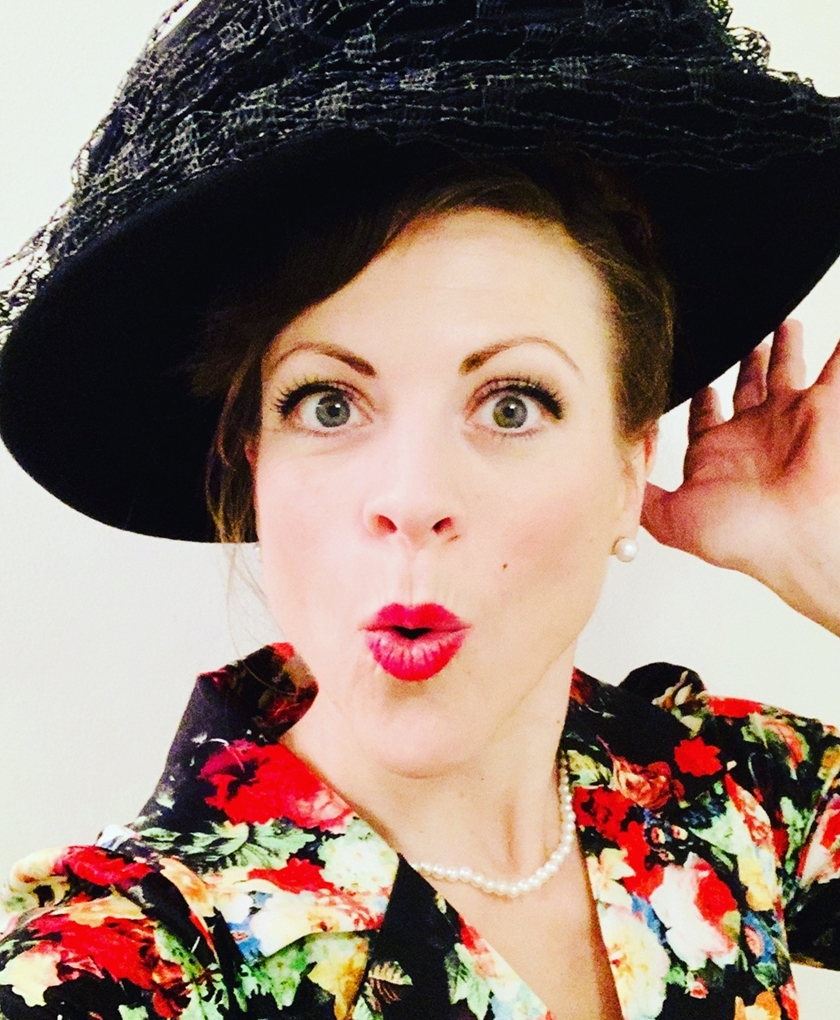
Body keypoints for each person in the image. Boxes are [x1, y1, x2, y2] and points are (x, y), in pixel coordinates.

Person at [2, 1, 840, 1018]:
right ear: (255, 462)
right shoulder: (114, 965)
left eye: (513, 405)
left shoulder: (725, 790)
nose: (412, 500)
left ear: (631, 466)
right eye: (329, 404)